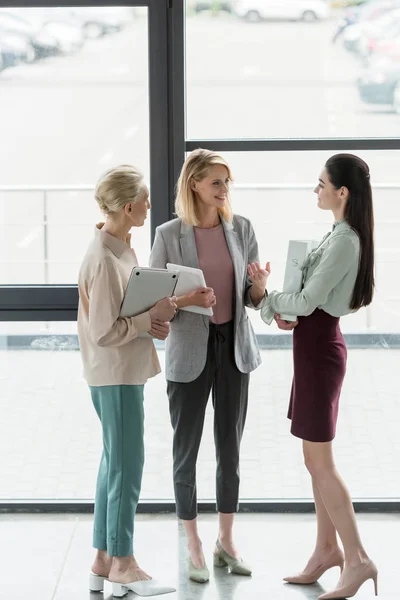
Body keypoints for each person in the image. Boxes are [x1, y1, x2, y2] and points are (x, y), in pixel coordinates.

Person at [259, 154, 377, 600]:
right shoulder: (337, 235)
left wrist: (268, 300)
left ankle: (359, 559)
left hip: (320, 350)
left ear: (342, 193)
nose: (316, 190)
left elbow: (307, 301)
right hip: (310, 348)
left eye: (321, 183)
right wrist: (279, 306)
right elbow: (307, 301)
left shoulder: (345, 240)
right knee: (314, 461)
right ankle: (327, 549)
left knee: (320, 462)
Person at [149, 148, 268, 583]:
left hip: (234, 348)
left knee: (230, 450)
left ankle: (226, 540)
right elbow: (154, 304)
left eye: (227, 182)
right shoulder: (167, 235)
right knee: (187, 451)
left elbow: (253, 302)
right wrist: (186, 300)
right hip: (189, 350)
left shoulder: (242, 229)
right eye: (216, 182)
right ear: (194, 183)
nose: (224, 190)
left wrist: (258, 287)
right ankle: (193, 542)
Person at [78, 165, 177, 597]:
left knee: (113, 463)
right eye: (146, 199)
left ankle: (104, 559)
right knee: (126, 465)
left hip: (122, 371)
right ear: (128, 205)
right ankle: (124, 563)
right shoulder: (102, 259)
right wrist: (147, 320)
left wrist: (151, 322)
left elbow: (126, 315)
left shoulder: (121, 248)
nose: (150, 206)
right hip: (113, 374)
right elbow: (104, 330)